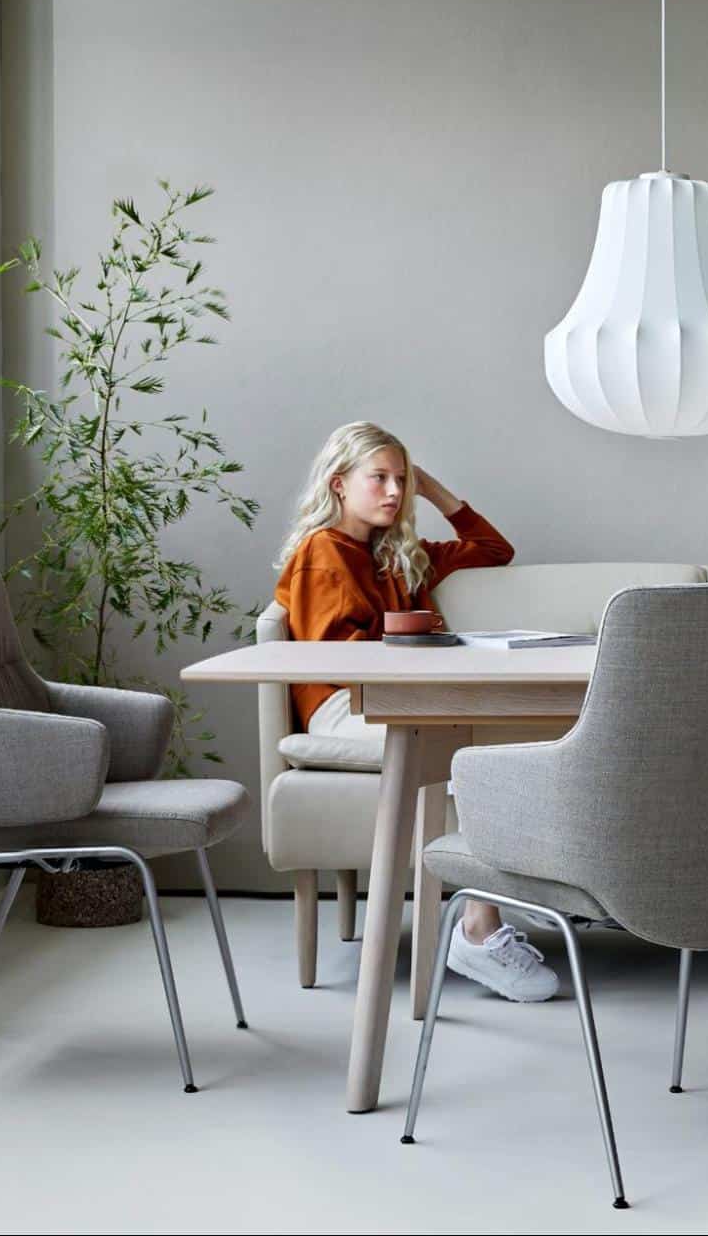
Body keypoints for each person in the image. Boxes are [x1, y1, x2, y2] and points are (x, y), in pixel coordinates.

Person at [272, 421, 558, 1003]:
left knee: (509, 745)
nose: (393, 492)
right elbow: (335, 659)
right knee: (478, 757)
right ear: (339, 483)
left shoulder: (398, 555)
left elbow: (494, 551)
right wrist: (425, 657)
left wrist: (434, 491)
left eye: (401, 480)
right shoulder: (322, 553)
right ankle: (479, 927)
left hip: (399, 698)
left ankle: (502, 899)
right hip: (346, 706)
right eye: (378, 478)